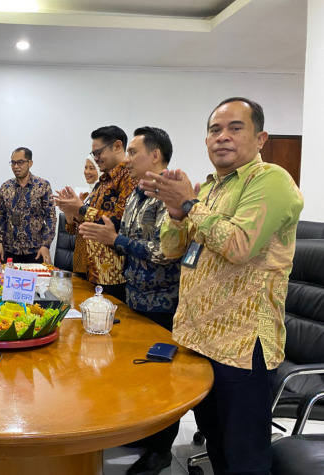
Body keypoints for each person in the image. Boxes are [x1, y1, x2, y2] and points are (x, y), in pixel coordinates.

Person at [143, 98, 304, 474]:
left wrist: (189, 204)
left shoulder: (271, 180)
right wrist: (175, 212)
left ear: (260, 138)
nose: (223, 137)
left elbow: (239, 246)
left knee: (245, 458)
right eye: (215, 129)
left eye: (235, 128)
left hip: (245, 345)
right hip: (200, 340)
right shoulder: (208, 188)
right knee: (216, 443)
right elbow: (172, 249)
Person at [80, 126, 181, 475]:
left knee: (162, 379)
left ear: (155, 155)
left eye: (134, 152)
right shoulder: (139, 192)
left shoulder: (170, 195)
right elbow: (125, 233)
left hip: (163, 302)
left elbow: (165, 252)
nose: (128, 159)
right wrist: (107, 232)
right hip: (135, 296)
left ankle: (161, 451)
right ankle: (145, 434)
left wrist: (117, 241)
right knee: (137, 373)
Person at [54, 126, 137, 302]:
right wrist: (73, 212)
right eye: (93, 153)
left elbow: (122, 220)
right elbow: (88, 223)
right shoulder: (103, 181)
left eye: (98, 152)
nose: (96, 158)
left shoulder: (128, 177)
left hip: (113, 274)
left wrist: (81, 209)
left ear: (117, 146)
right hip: (91, 270)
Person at [0, 147, 56, 264]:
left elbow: (50, 217)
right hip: (9, 250)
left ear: (30, 163)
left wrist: (46, 245)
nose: (16, 166)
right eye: (13, 163)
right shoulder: (6, 187)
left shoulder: (42, 185)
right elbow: (0, 216)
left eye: (20, 162)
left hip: (36, 250)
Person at [72, 157, 99, 275]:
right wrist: (68, 210)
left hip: (97, 261)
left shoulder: (105, 196)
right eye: (85, 168)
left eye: (92, 168)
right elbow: (71, 229)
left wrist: (80, 208)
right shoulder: (85, 196)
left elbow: (100, 220)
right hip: (81, 259)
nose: (87, 172)